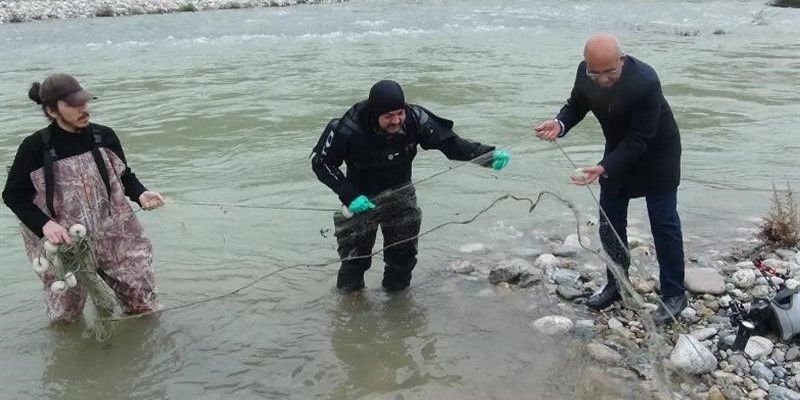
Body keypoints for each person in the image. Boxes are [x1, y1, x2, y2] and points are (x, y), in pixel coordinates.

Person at [534, 34, 687, 325]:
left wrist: (603, 167)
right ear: (587, 65)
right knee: (609, 219)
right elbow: (577, 104)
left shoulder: (646, 82)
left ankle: (674, 294)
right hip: (617, 151)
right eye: (596, 72)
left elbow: (640, 140)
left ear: (622, 59)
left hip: (658, 154)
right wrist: (559, 123)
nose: (602, 79)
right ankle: (617, 282)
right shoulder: (585, 72)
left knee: (663, 222)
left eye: (609, 72)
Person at [312, 80, 510, 293]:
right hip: (360, 199)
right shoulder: (348, 127)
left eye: (399, 113)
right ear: (374, 113)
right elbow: (321, 163)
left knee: (402, 258)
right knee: (355, 261)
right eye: (388, 116)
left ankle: (397, 307)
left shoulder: (416, 119)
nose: (396, 120)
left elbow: (451, 144)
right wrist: (349, 196)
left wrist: (486, 155)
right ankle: (350, 311)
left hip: (401, 194)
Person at [2, 73, 165, 322]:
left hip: (115, 234)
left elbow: (123, 176)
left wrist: (141, 193)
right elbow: (13, 196)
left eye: (84, 102)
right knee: (65, 317)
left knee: (143, 305)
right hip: (64, 244)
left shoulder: (105, 136)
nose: (83, 109)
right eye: (73, 105)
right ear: (51, 110)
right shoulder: (33, 148)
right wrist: (45, 224)